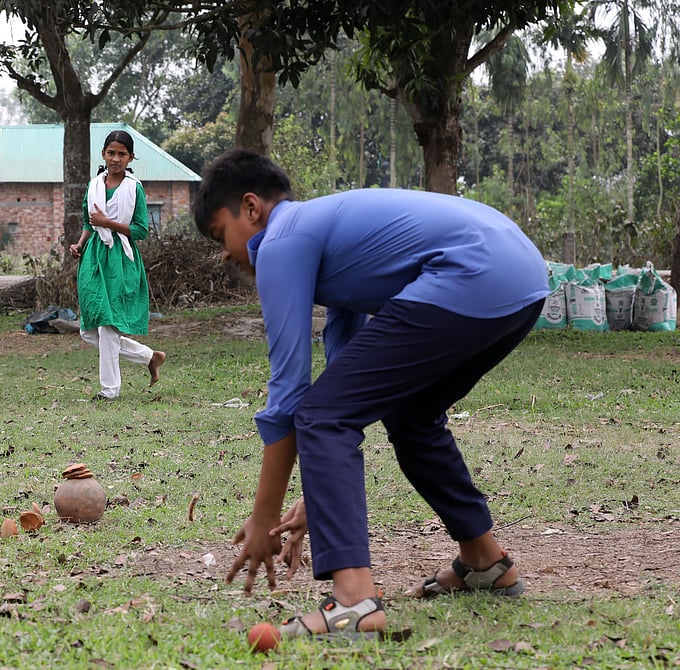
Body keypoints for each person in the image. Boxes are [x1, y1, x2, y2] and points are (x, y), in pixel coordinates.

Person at [196, 149, 549, 640]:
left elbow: (296, 398)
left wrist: (264, 518)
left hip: (472, 272)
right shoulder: (333, 241)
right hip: (522, 278)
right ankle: (486, 562)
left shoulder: (280, 241)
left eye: (220, 235)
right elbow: (353, 390)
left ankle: (353, 602)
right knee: (411, 414)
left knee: (319, 414)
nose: (226, 254)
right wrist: (314, 501)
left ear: (251, 209)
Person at [68, 130, 166, 401]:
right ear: (103, 155)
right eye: (111, 153)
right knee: (89, 331)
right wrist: (80, 244)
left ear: (131, 157)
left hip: (120, 259)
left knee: (108, 327)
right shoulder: (94, 185)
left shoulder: (134, 188)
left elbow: (141, 230)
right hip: (94, 258)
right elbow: (90, 222)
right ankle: (150, 356)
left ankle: (109, 390)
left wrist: (108, 224)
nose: (116, 159)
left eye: (122, 154)